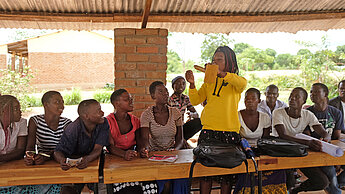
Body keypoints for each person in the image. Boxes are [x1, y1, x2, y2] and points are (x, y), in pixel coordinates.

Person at [186, 46, 247, 194]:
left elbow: (242, 84)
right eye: (214, 60)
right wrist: (192, 84)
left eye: (219, 59)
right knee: (206, 174)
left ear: (229, 62)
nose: (215, 62)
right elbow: (195, 100)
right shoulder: (209, 81)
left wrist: (222, 74)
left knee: (226, 176)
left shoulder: (235, 82)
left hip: (229, 133)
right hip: (208, 132)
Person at [272, 87, 331, 194]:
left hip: (298, 153)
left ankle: (296, 190)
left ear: (304, 101)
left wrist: (326, 138)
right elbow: (282, 135)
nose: (292, 99)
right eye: (291, 96)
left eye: (296, 97)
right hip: (281, 153)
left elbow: (323, 132)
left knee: (322, 182)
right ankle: (291, 187)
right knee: (287, 184)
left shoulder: (307, 114)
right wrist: (307, 143)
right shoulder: (278, 113)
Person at [235, 88, 287, 193]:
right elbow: (236, 139)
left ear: (259, 101)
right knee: (246, 168)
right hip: (243, 151)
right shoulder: (237, 116)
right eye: (247, 99)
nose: (249, 101)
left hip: (260, 149)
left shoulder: (264, 117)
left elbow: (265, 140)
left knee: (278, 167)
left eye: (253, 98)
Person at [107, 89, 157, 194]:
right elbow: (110, 147)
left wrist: (143, 150)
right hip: (115, 159)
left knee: (149, 183)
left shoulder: (135, 121)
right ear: (117, 103)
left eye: (131, 99)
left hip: (133, 158)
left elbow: (140, 144)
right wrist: (124, 154)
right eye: (127, 99)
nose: (131, 101)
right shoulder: (108, 122)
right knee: (126, 188)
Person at [140, 81, 187, 194]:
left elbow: (180, 139)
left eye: (166, 91)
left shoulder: (175, 112)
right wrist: (145, 150)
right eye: (160, 91)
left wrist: (174, 151)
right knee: (165, 181)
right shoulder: (146, 115)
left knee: (183, 177)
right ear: (153, 96)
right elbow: (145, 140)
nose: (165, 93)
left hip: (173, 153)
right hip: (155, 154)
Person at [54, 99, 109, 194]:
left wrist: (87, 159)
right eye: (98, 111)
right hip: (75, 166)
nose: (102, 113)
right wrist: (61, 161)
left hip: (93, 162)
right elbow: (58, 151)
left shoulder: (103, 123)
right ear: (86, 116)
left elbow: (98, 149)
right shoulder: (73, 129)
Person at [305, 83, 345, 194]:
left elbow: (336, 137)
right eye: (311, 92)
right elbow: (307, 138)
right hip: (315, 152)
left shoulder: (336, 112)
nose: (312, 94)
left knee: (333, 172)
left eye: (316, 92)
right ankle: (336, 189)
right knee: (330, 171)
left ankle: (340, 182)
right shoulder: (307, 113)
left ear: (325, 94)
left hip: (332, 149)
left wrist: (336, 159)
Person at [25, 91, 71, 165]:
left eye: (62, 102)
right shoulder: (35, 121)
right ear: (46, 105)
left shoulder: (66, 123)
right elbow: (30, 147)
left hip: (61, 162)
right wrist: (30, 157)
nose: (62, 106)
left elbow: (65, 149)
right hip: (41, 162)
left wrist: (45, 156)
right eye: (57, 102)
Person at [169, 76, 202, 140]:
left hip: (181, 128)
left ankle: (182, 140)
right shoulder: (169, 100)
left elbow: (196, 114)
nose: (181, 86)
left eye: (183, 83)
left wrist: (191, 114)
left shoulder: (186, 99)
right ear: (173, 86)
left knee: (199, 122)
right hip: (171, 129)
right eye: (178, 83)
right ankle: (180, 141)